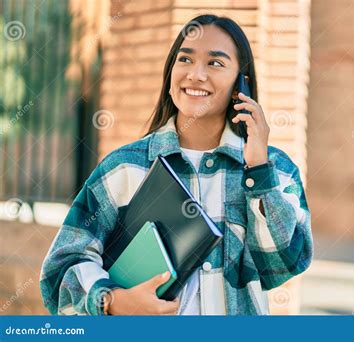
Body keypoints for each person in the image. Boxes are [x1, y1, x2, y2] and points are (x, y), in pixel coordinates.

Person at [40, 14, 313, 316]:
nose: (196, 74)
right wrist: (113, 301)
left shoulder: (275, 170)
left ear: (241, 85)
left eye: (215, 63)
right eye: (185, 59)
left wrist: (258, 172)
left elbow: (284, 266)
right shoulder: (123, 168)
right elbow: (60, 271)